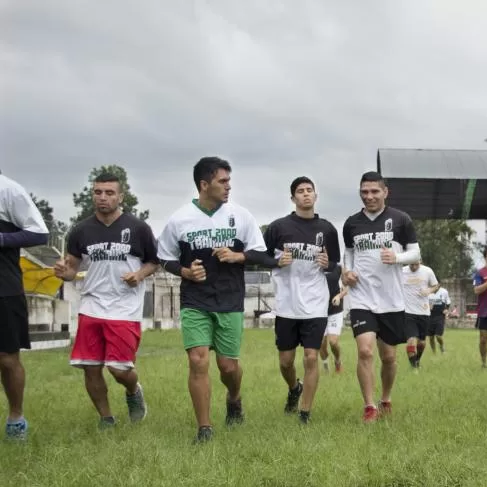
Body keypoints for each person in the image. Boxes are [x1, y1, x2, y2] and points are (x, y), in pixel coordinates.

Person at [156, 156, 275, 443]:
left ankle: (234, 397)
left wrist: (239, 256)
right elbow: (165, 258)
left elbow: (261, 254)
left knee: (227, 367)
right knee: (198, 361)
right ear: (204, 184)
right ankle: (205, 428)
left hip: (230, 300)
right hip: (195, 299)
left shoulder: (241, 216)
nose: (228, 187)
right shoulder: (179, 219)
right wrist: (184, 271)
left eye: (229, 181)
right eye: (223, 181)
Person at [54, 172, 157, 429]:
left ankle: (133, 390)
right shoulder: (80, 230)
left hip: (124, 307)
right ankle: (106, 418)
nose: (103, 197)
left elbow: (155, 262)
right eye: (98, 192)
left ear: (120, 196)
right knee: (90, 367)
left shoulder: (138, 228)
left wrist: (139, 274)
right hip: (91, 304)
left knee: (119, 369)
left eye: (109, 193)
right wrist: (64, 273)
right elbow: (71, 269)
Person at [341, 171, 420, 422]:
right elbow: (349, 253)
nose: (369, 196)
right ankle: (369, 405)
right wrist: (347, 272)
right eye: (364, 192)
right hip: (362, 297)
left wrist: (396, 258)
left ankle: (385, 397)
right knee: (365, 351)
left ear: (385, 192)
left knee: (389, 357)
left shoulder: (401, 220)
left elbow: (415, 254)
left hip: (391, 300)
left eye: (375, 191)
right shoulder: (352, 223)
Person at [261, 176, 340, 425]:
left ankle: (305, 413)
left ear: (315, 196)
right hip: (287, 303)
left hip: (316, 302)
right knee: (286, 362)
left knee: (310, 356)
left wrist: (329, 266)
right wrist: (275, 261)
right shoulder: (278, 227)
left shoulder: (327, 229)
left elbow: (335, 265)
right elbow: (259, 257)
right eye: (300, 191)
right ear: (293, 198)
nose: (305, 194)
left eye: (309, 190)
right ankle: (294, 387)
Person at [0, 172, 49, 441]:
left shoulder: (8, 190)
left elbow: (40, 233)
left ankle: (16, 417)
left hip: (4, 289)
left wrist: (3, 239)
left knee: (7, 360)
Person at [401, 260, 439, 368]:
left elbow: (436, 286)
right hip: (408, 312)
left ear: (420, 261)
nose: (413, 267)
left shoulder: (427, 271)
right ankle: (414, 368)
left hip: (424, 312)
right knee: (411, 340)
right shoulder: (401, 271)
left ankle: (417, 360)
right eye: (411, 264)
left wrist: (429, 291)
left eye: (416, 264)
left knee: (421, 343)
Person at [322, 268, 347, 373]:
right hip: (319, 310)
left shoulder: (338, 267)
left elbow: (347, 287)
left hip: (335, 309)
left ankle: (337, 361)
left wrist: (339, 296)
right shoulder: (315, 266)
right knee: (320, 344)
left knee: (333, 342)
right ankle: (326, 368)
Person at [428, 285, 451, 354]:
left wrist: (446, 309)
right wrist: (427, 306)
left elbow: (448, 302)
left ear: (439, 284)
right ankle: (434, 353)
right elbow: (423, 303)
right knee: (431, 337)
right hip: (430, 316)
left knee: (438, 336)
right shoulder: (427, 291)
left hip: (440, 316)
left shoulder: (444, 291)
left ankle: (442, 347)